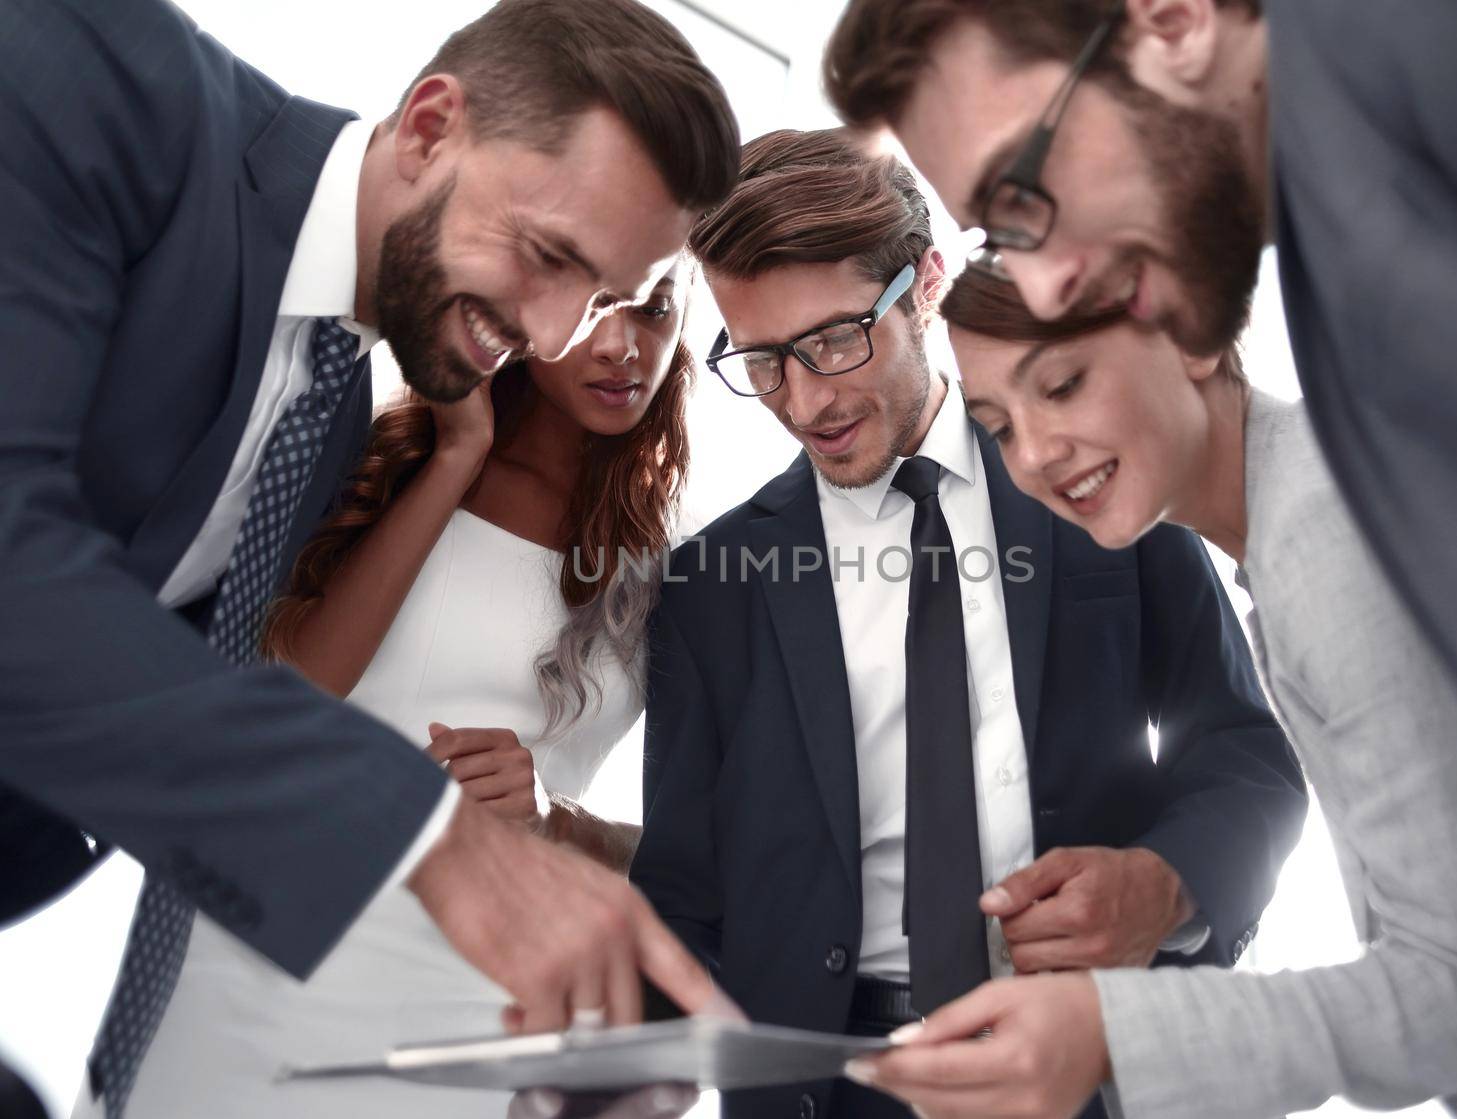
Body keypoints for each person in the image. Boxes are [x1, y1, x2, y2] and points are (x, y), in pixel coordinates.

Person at [822, 0, 1457, 1104]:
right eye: (995, 427)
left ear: (1188, 339)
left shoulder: (1329, 533)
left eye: (1065, 381)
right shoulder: (1292, 520)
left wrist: (1109, 1032)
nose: (1032, 454)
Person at [0, 1, 738, 1115]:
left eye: (601, 297)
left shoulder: (331, 404)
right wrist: (423, 836)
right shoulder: (97, 74)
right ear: (432, 126)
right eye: (549, 257)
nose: (550, 333)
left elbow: (176, 677)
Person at [628, 128, 1307, 1119]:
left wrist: (1163, 887)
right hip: (830, 1091)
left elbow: (1245, 756)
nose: (806, 400)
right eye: (764, 362)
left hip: (1097, 1065)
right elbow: (685, 893)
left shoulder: (1098, 477)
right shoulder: (709, 586)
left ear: (927, 283)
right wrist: (628, 1058)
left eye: (831, 341)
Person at [98, 259, 696, 1119]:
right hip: (263, 950)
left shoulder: (678, 574)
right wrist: (459, 453)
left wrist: (553, 813)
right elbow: (292, 693)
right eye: (604, 306)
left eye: (657, 313)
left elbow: (710, 855)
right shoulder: (375, 461)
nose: (623, 346)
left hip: (475, 1001)